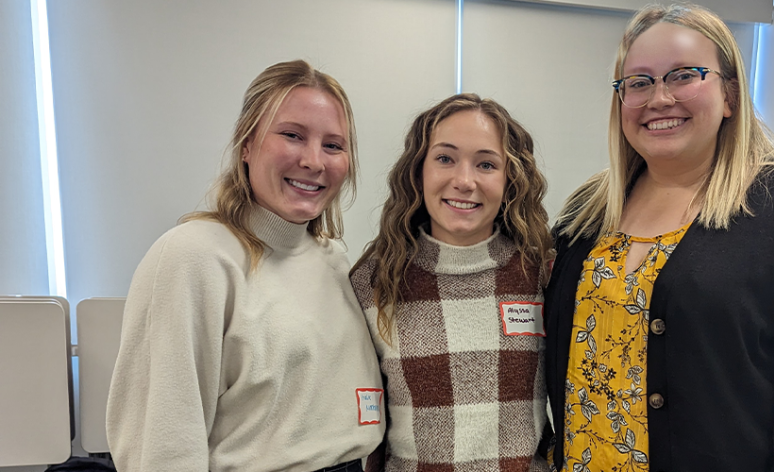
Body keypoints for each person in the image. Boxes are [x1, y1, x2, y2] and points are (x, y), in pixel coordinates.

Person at [544, 5, 774, 472]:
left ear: (730, 94)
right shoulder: (588, 210)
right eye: (639, 82)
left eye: (683, 75)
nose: (659, 98)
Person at [106, 60, 383, 472]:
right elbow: (162, 444)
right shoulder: (192, 258)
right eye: (292, 135)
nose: (313, 160)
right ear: (247, 144)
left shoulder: (335, 262)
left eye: (333, 145)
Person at [349, 94, 553, 471]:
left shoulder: (542, 274)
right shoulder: (374, 281)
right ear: (418, 170)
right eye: (445, 158)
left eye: (486, 164)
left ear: (511, 179)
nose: (464, 181)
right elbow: (366, 432)